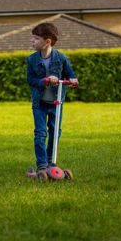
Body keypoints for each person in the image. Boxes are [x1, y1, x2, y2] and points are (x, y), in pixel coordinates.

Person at [26, 22, 78, 175]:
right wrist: (45, 80)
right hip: (39, 103)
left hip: (56, 103)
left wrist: (73, 80)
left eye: (36, 38)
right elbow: (30, 80)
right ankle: (42, 165)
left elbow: (70, 74)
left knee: (55, 132)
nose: (32, 41)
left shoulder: (61, 58)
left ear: (47, 41)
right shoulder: (32, 60)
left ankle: (51, 162)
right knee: (41, 133)